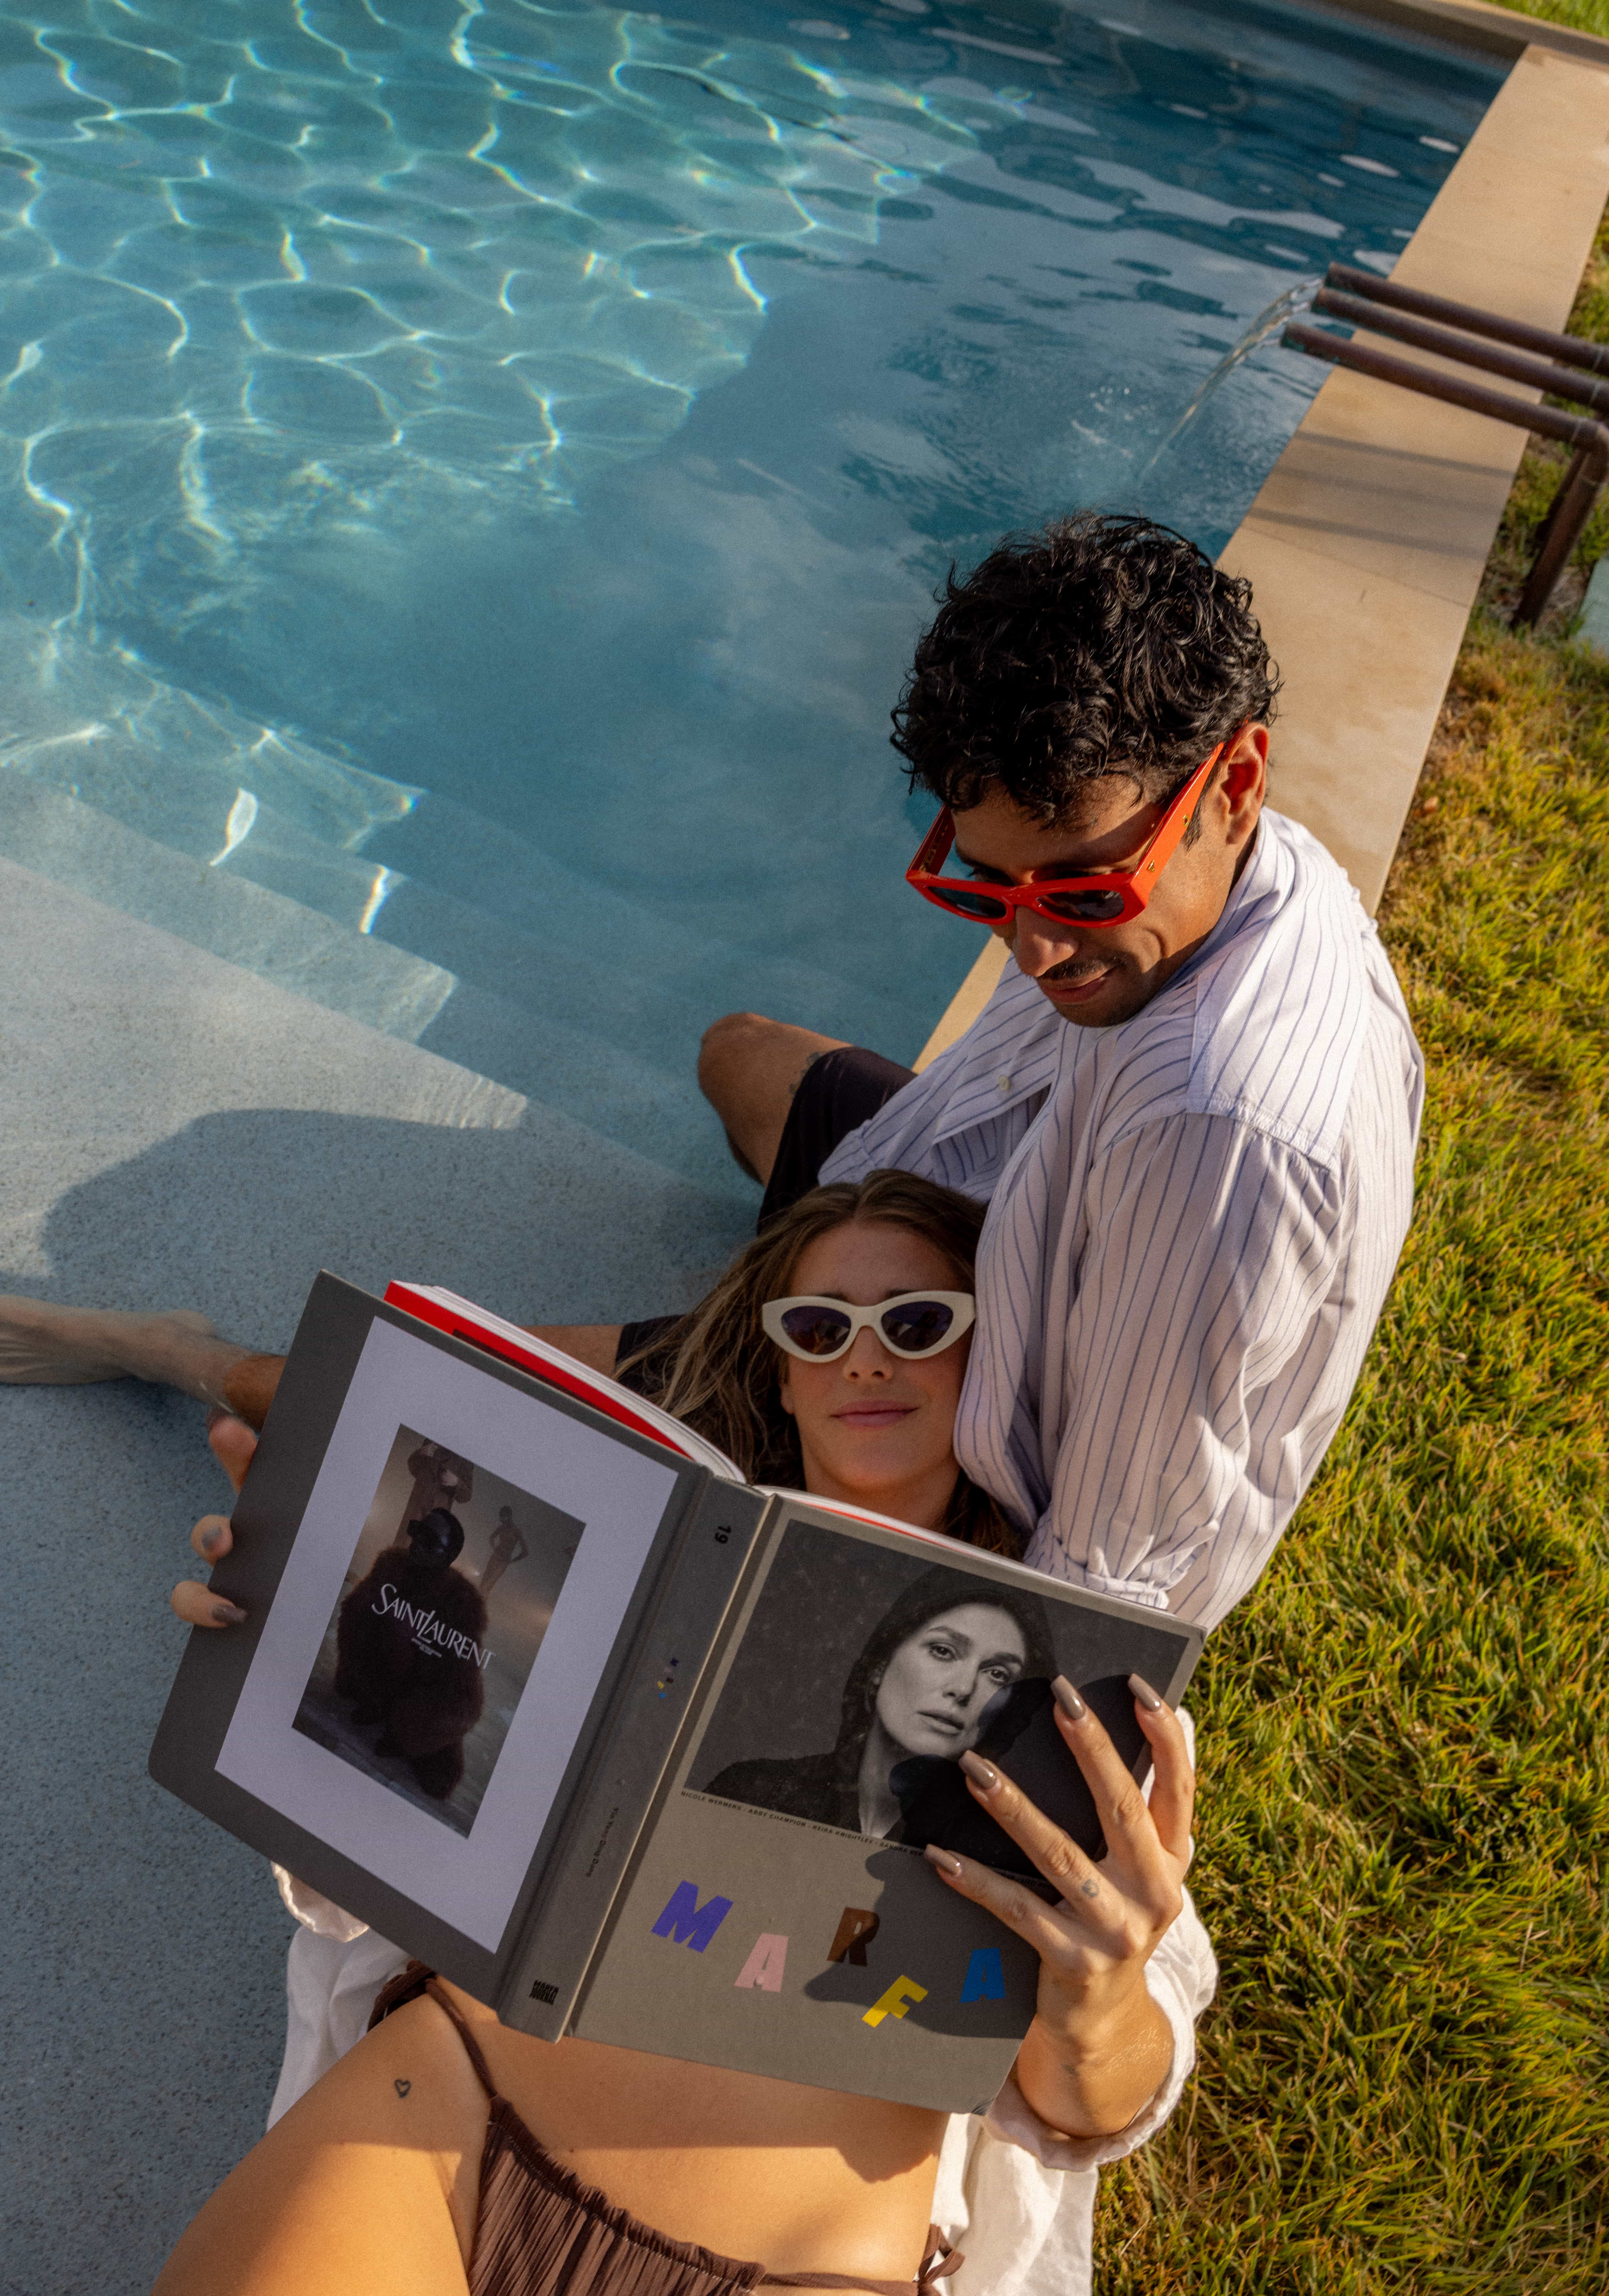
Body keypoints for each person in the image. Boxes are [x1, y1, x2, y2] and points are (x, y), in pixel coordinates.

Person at [159, 1173, 1217, 2296]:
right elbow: (391, 1831)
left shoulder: (1068, 1689)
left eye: (916, 1325)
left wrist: (1102, 2003)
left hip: (801, 2259)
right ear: (784, 1374)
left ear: (985, 1356)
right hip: (441, 2111)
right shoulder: (644, 1577)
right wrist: (309, 1618)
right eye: (820, 1330)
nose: (864, 1360)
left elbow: (1097, 2103)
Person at [697, 510, 1424, 1633]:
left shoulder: (1213, 1137)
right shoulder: (1244, 871)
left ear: (1234, 780)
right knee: (736, 1053)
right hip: (954, 1202)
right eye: (987, 891)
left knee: (482, 1370)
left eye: (1083, 893)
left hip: (940, 1375)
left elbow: (1094, 1585)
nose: (1035, 952)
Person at [702, 1566, 1056, 1839]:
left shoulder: (996, 1850)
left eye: (997, 1674)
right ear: (879, 1666)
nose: (963, 1688)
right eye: (943, 1651)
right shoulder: (752, 1793)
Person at [479, 1506, 529, 1598]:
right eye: (502, 1518)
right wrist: (495, 1550)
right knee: (486, 1580)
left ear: (510, 1517)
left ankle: (480, 1600)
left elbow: (526, 1552)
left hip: (503, 1561)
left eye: (505, 1518)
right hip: (498, 1558)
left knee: (490, 1583)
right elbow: (491, 1538)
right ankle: (478, 1599)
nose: (503, 1521)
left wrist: (512, 1561)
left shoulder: (516, 1531)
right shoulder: (503, 1528)